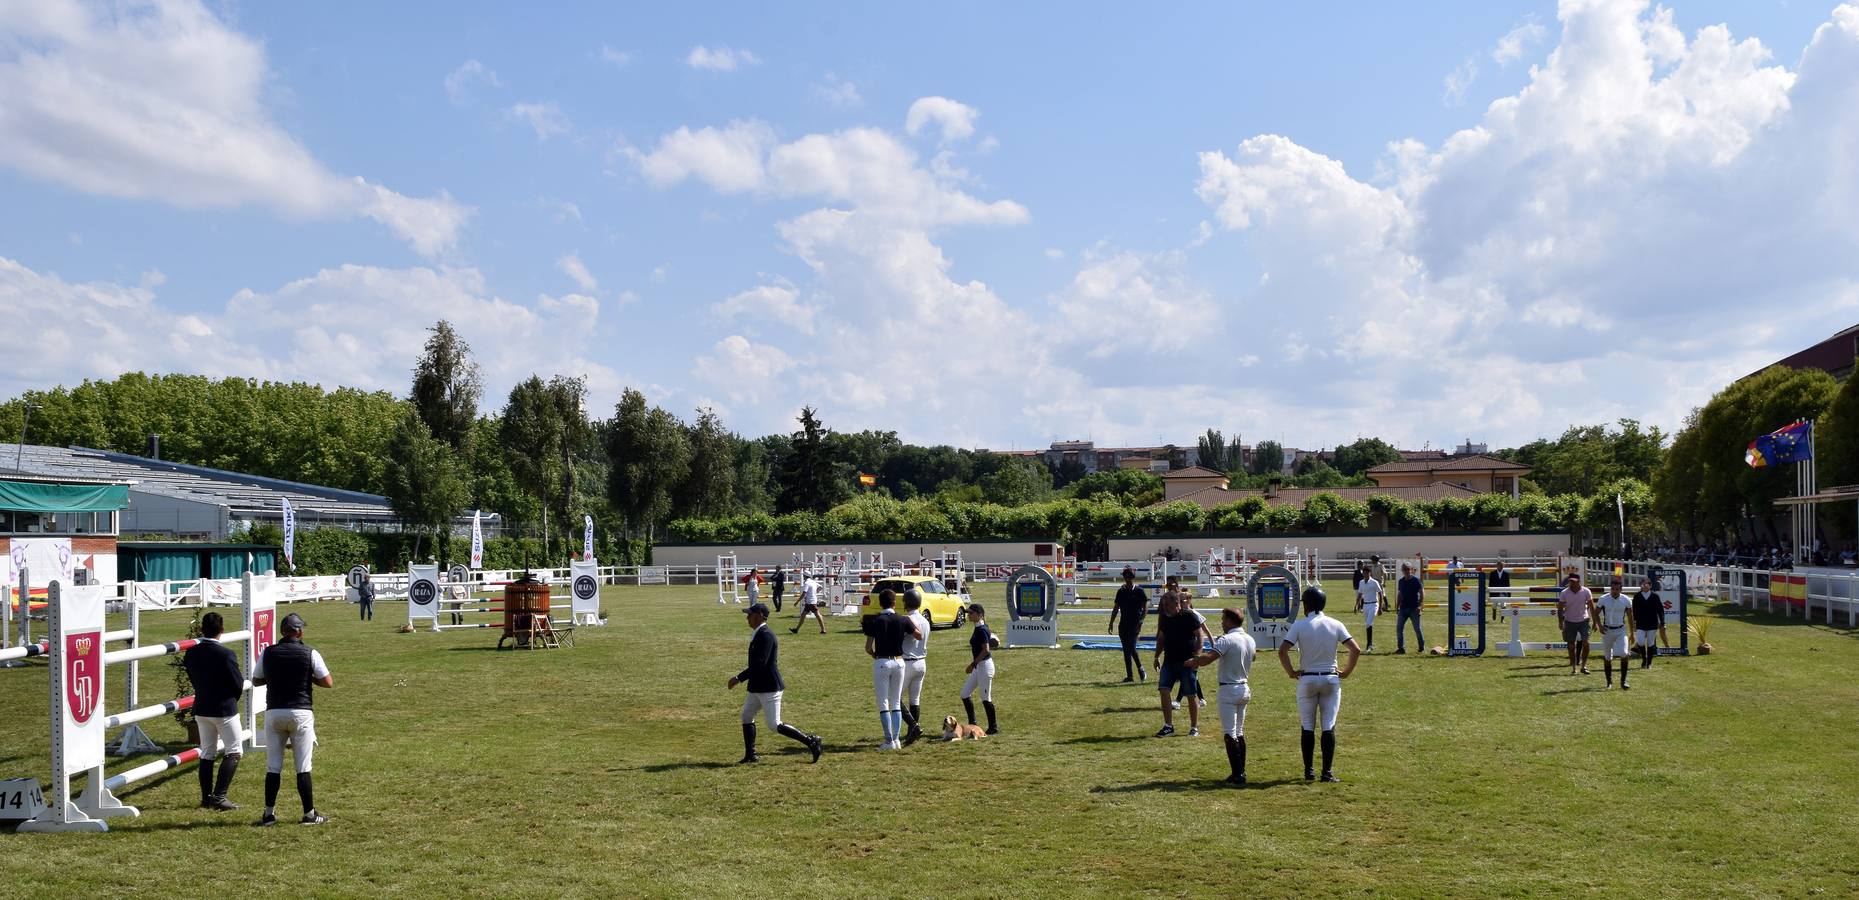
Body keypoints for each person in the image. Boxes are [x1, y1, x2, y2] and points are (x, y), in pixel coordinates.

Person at [250, 613, 332, 826]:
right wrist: (308, 677)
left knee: (273, 766)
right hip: (301, 712)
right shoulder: (310, 652)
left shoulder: (268, 652)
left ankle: (268, 814)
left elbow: (256, 680)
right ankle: (309, 814)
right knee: (303, 766)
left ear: (282, 632)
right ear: (299, 632)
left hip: (274, 712)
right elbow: (328, 682)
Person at [1277, 586, 1362, 782]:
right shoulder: (1335, 624)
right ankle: (1327, 773)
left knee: (1307, 726)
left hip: (1307, 678)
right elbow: (1355, 649)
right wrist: (1347, 671)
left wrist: (1291, 672)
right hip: (1331, 678)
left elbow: (1282, 651)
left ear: (1306, 605)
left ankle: (1309, 771)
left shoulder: (1299, 625)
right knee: (1328, 726)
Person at [728, 602, 824, 764]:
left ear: (758, 617)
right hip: (757, 686)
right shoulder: (759, 633)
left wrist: (738, 678)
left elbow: (759, 664)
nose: (747, 618)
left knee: (774, 724)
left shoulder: (766, 635)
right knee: (746, 716)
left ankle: (811, 741)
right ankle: (751, 755)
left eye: (749, 615)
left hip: (768, 687)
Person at [182, 611, 244, 811]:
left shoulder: (191, 653)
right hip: (224, 708)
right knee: (234, 751)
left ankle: (206, 797)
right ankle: (219, 796)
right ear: (222, 631)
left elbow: (193, 678)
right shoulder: (226, 654)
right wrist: (232, 699)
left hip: (202, 707)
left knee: (207, 752)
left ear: (202, 630)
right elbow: (237, 683)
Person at [1186, 607, 1255, 785]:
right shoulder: (1249, 639)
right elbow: (1251, 657)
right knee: (1239, 732)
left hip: (1228, 689)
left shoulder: (1226, 640)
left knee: (1229, 733)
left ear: (1231, 621)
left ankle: (1237, 774)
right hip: (1244, 688)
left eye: (1224, 619)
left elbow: (1208, 659)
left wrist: (1194, 661)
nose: (1222, 623)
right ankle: (1241, 771)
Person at [863, 589, 921, 750]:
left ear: (880, 603)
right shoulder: (903, 619)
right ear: (895, 603)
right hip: (899, 662)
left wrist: (875, 655)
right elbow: (918, 635)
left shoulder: (875, 621)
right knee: (896, 701)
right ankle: (896, 740)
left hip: (882, 661)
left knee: (883, 702)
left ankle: (889, 740)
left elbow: (868, 647)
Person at [1152, 592, 1203, 738]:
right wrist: (1156, 656)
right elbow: (1161, 638)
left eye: (1167, 605)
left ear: (1176, 603)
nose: (1164, 608)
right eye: (1163, 605)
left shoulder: (1189, 616)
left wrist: (1197, 657)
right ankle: (1168, 726)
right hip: (1169, 661)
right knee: (1163, 689)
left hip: (1187, 662)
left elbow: (1200, 635)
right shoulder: (1165, 619)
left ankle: (1194, 727)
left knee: (1191, 694)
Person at [961, 603, 999, 734]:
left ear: (979, 615)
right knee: (964, 693)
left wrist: (972, 664)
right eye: (968, 613)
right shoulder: (979, 627)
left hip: (984, 667)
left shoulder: (982, 629)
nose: (969, 615)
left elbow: (985, 650)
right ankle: (973, 724)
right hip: (979, 667)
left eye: (971, 613)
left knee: (985, 697)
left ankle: (993, 727)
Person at [1106, 567, 1149, 682]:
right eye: (1125, 576)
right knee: (1126, 650)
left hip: (1135, 624)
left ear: (1132, 577)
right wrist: (1111, 623)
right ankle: (1130, 675)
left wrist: (1141, 621)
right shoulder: (1121, 591)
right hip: (1123, 624)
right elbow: (1116, 608)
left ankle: (1141, 669)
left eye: (1129, 576)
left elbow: (1145, 608)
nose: (1127, 578)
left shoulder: (1139, 591)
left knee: (1132, 648)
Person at [900, 588, 930, 745]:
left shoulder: (907, 619)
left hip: (908, 662)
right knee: (914, 699)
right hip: (921, 662)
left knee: (895, 698)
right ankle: (912, 733)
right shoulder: (925, 620)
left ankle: (914, 726)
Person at [1557, 573, 1597, 676]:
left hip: (1583, 620)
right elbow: (1560, 607)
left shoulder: (1586, 591)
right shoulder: (1564, 593)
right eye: (1570, 581)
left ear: (1579, 581)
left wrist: (1595, 622)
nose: (1571, 583)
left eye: (1574, 581)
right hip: (1569, 621)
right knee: (1571, 646)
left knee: (1586, 643)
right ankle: (1574, 667)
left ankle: (1583, 666)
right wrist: (1560, 622)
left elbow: (1592, 607)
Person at [1596, 578, 1633, 690]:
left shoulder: (1626, 600)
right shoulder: (1603, 599)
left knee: (1624, 652)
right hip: (1607, 630)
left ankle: (1623, 681)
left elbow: (1630, 616)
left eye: (1617, 589)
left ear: (1621, 589)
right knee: (1607, 657)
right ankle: (1609, 682)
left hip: (1621, 630)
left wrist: (1632, 633)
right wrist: (1599, 626)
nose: (1614, 591)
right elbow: (1596, 613)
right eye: (1612, 589)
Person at [1631, 577, 1666, 669]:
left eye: (1647, 584)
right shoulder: (1637, 596)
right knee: (1641, 642)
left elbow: (1660, 610)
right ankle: (1644, 658)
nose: (1644, 585)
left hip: (1652, 623)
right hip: (1640, 623)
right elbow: (1634, 611)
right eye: (1643, 584)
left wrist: (1662, 622)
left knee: (1650, 643)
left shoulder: (1655, 596)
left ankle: (1649, 663)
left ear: (1650, 586)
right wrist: (1634, 623)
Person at [1394, 563, 1424, 654]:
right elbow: (1400, 594)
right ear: (1402, 571)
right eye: (1404, 569)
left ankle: (1421, 646)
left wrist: (1419, 606)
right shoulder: (1401, 581)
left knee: (1417, 628)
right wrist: (1397, 606)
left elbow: (1422, 593)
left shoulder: (1416, 581)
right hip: (1403, 608)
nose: (1406, 571)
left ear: (1411, 570)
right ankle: (1401, 648)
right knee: (1399, 628)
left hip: (1414, 608)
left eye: (1407, 569)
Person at [1354, 564, 1383, 653]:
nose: (1366, 574)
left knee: (1369, 623)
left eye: (1367, 573)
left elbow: (1380, 594)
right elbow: (1359, 594)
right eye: (1364, 573)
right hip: (1365, 605)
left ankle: (1369, 645)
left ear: (1370, 573)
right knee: (1367, 624)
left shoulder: (1374, 582)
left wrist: (1380, 608)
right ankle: (1370, 644)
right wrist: (1356, 606)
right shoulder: (1361, 582)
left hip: (1374, 604)